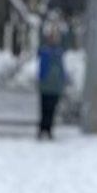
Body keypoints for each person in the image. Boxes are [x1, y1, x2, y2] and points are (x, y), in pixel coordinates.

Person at [36, 11, 70, 140]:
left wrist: (64, 25)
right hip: (45, 85)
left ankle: (48, 129)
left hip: (55, 86)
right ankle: (42, 129)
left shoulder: (59, 51)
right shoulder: (44, 50)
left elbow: (67, 40)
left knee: (52, 109)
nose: (52, 38)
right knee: (44, 108)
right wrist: (42, 23)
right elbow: (40, 37)